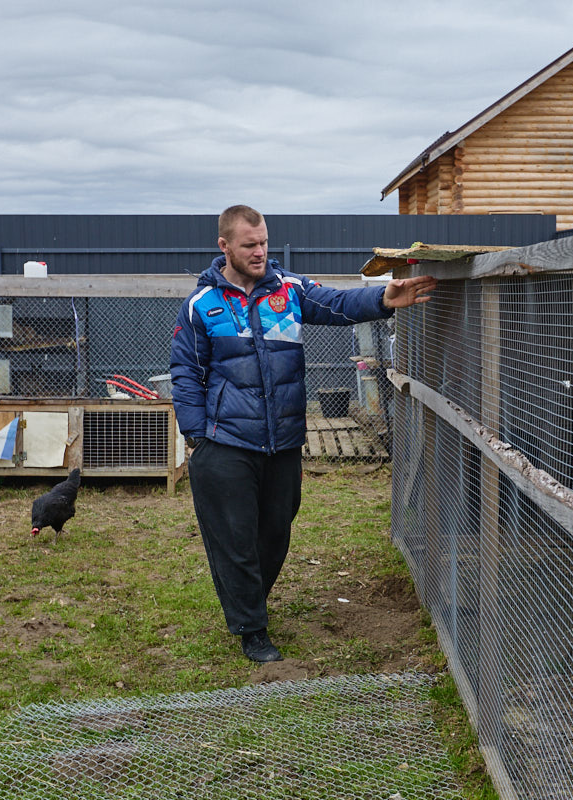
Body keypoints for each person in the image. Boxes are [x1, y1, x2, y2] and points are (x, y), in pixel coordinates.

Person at [170, 205, 436, 663]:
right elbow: (185, 373)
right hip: (225, 441)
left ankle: (250, 599)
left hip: (283, 440)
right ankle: (252, 629)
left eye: (264, 242)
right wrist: (198, 438)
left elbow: (336, 303)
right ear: (225, 247)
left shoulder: (288, 290)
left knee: (276, 531)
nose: (260, 252)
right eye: (249, 245)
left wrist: (383, 300)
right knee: (234, 538)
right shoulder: (201, 306)